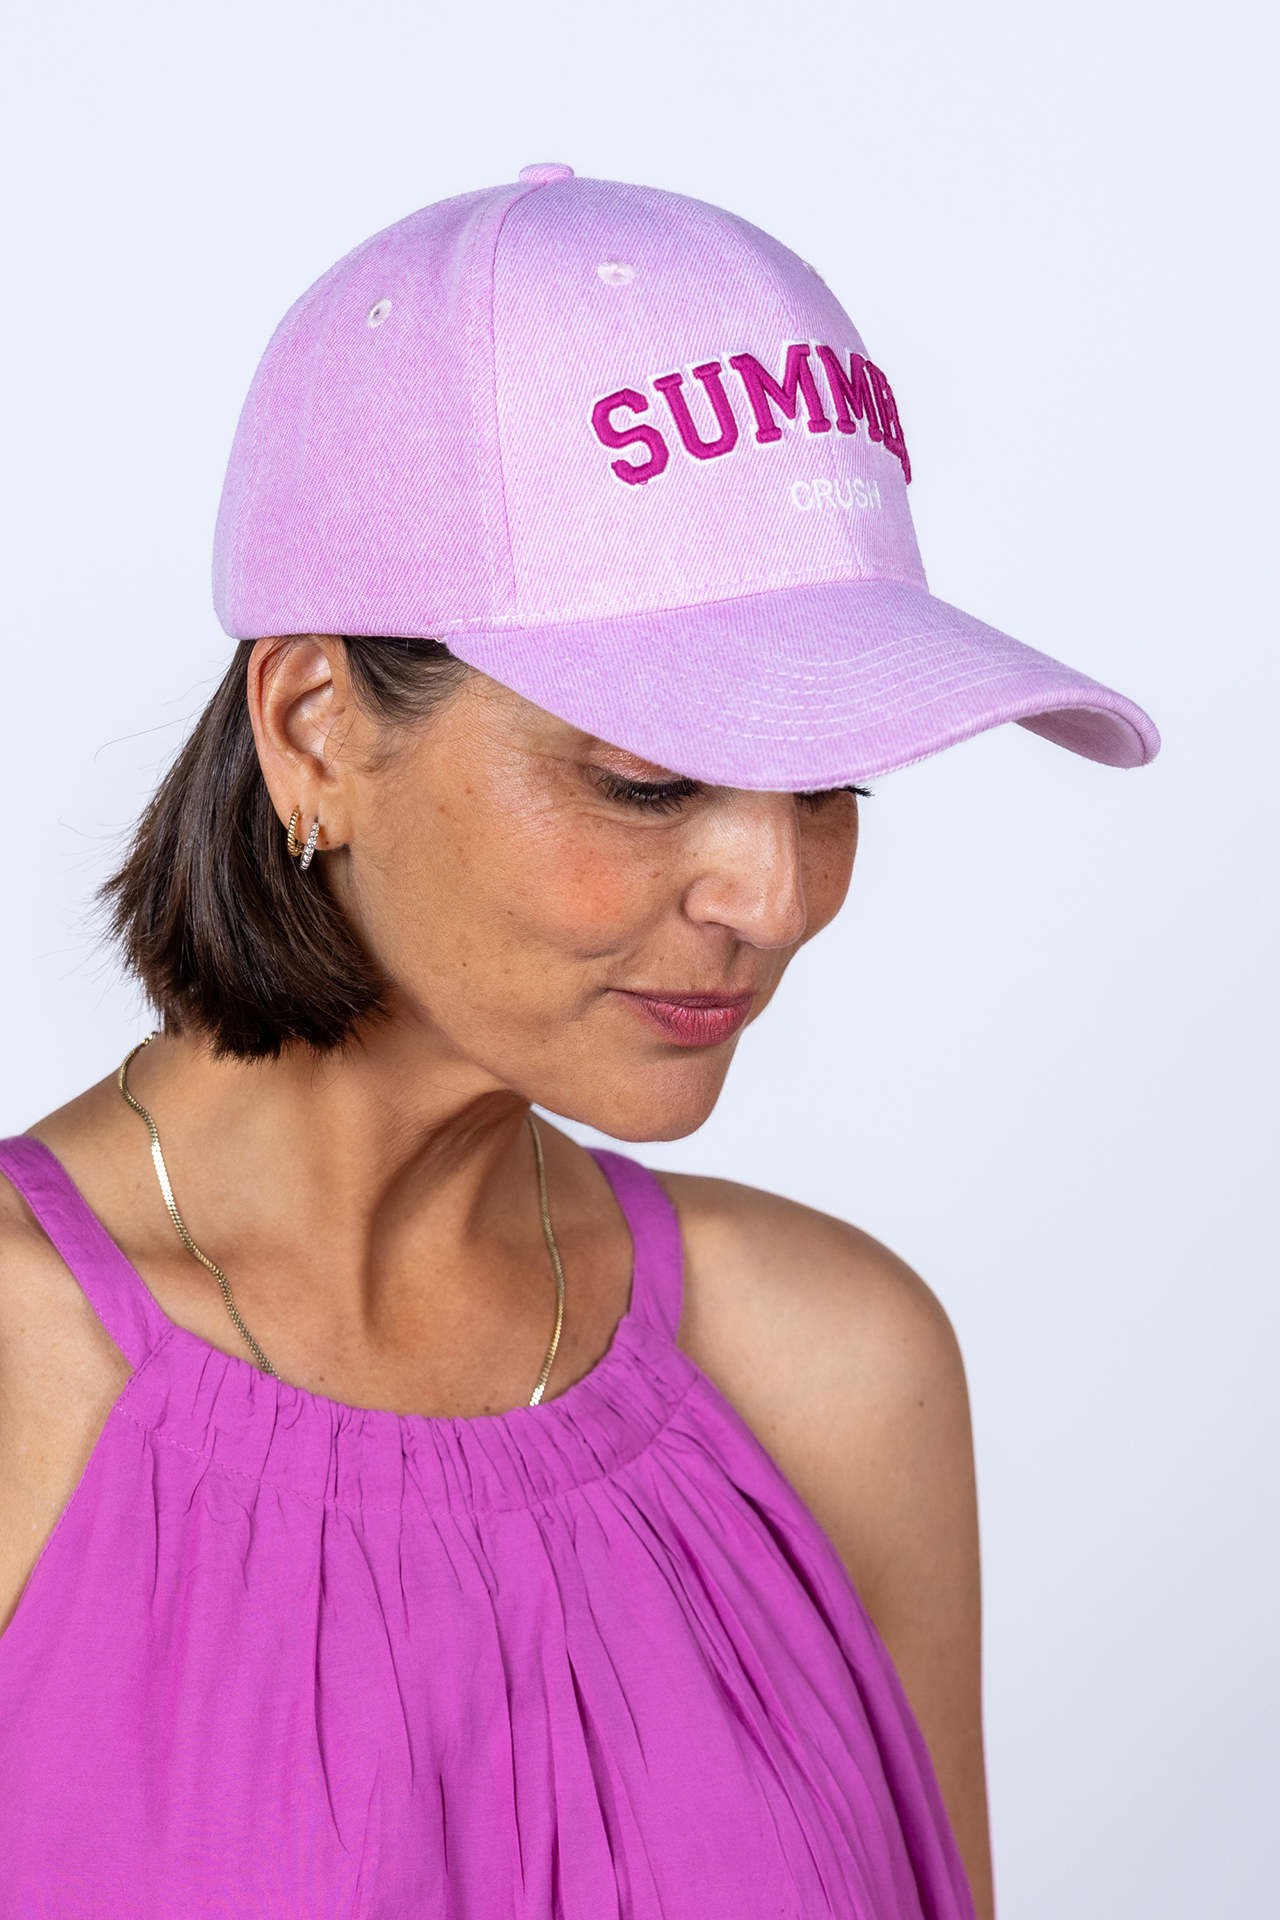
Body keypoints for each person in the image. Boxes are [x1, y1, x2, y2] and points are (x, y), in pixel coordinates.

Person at [0, 164, 1157, 1920]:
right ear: (313, 725)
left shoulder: (837, 1371)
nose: (777, 894)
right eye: (647, 779)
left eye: (833, 783)